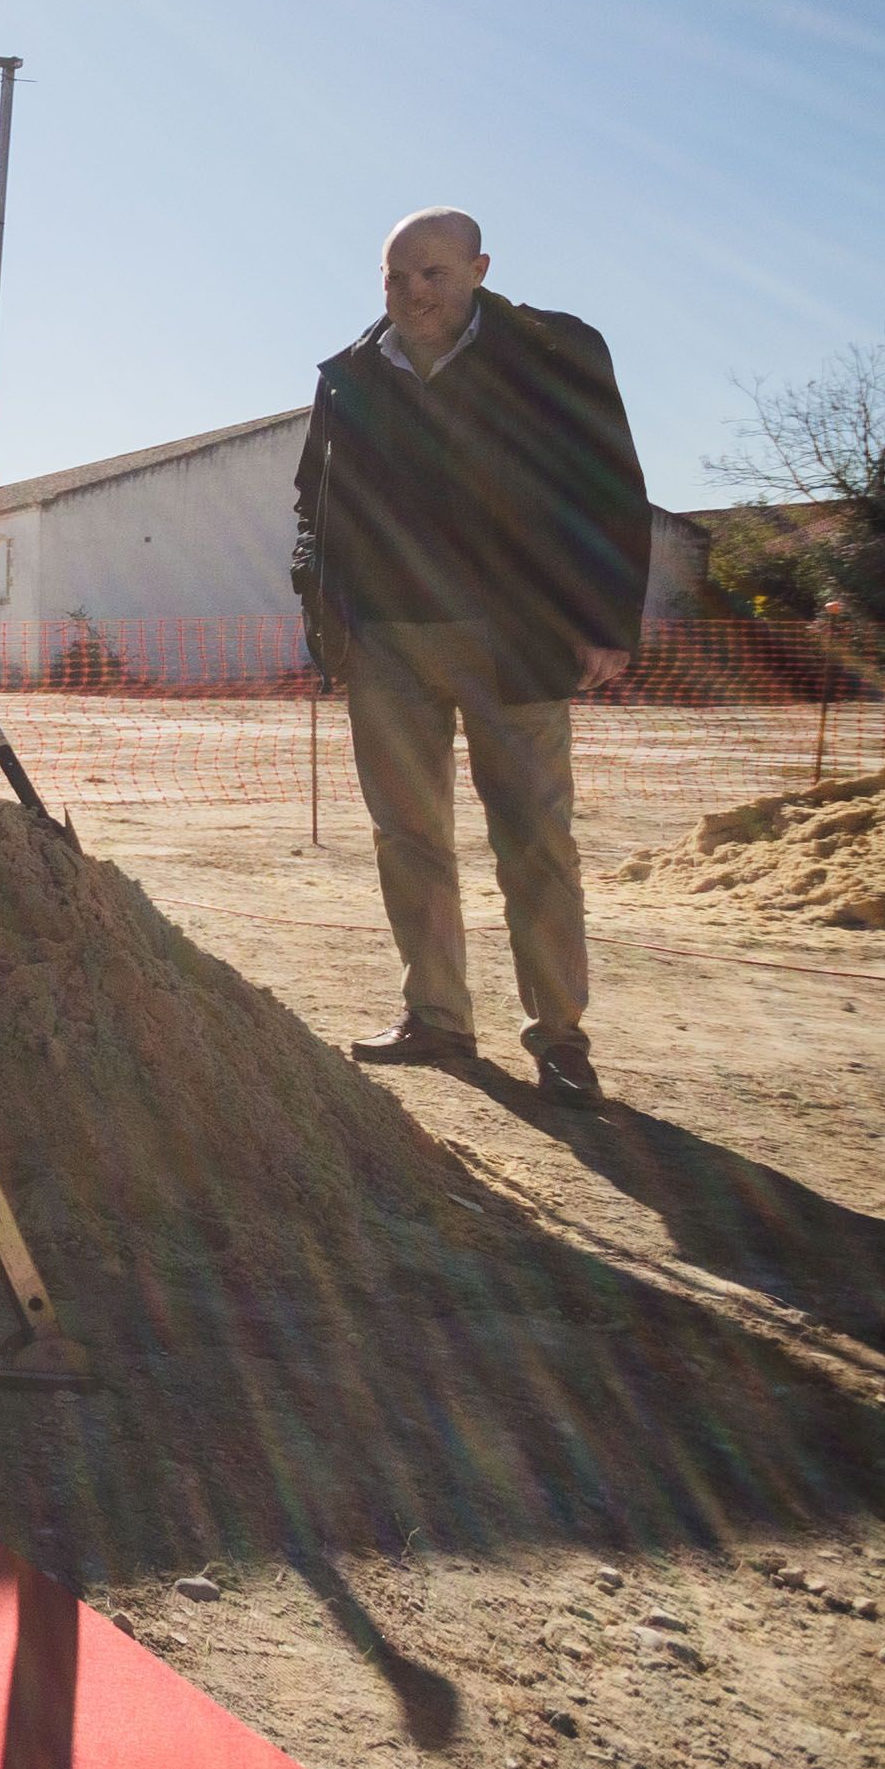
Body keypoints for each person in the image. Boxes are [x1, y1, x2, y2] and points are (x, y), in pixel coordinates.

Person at [292, 208, 648, 1106]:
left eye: (434, 274)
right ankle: (437, 1016)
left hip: (515, 636)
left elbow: (609, 485)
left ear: (479, 269)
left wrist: (605, 618)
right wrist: (321, 600)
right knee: (408, 837)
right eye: (396, 277)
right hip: (386, 641)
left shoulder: (554, 354)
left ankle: (561, 1037)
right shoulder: (350, 376)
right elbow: (313, 498)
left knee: (533, 837)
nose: (413, 292)